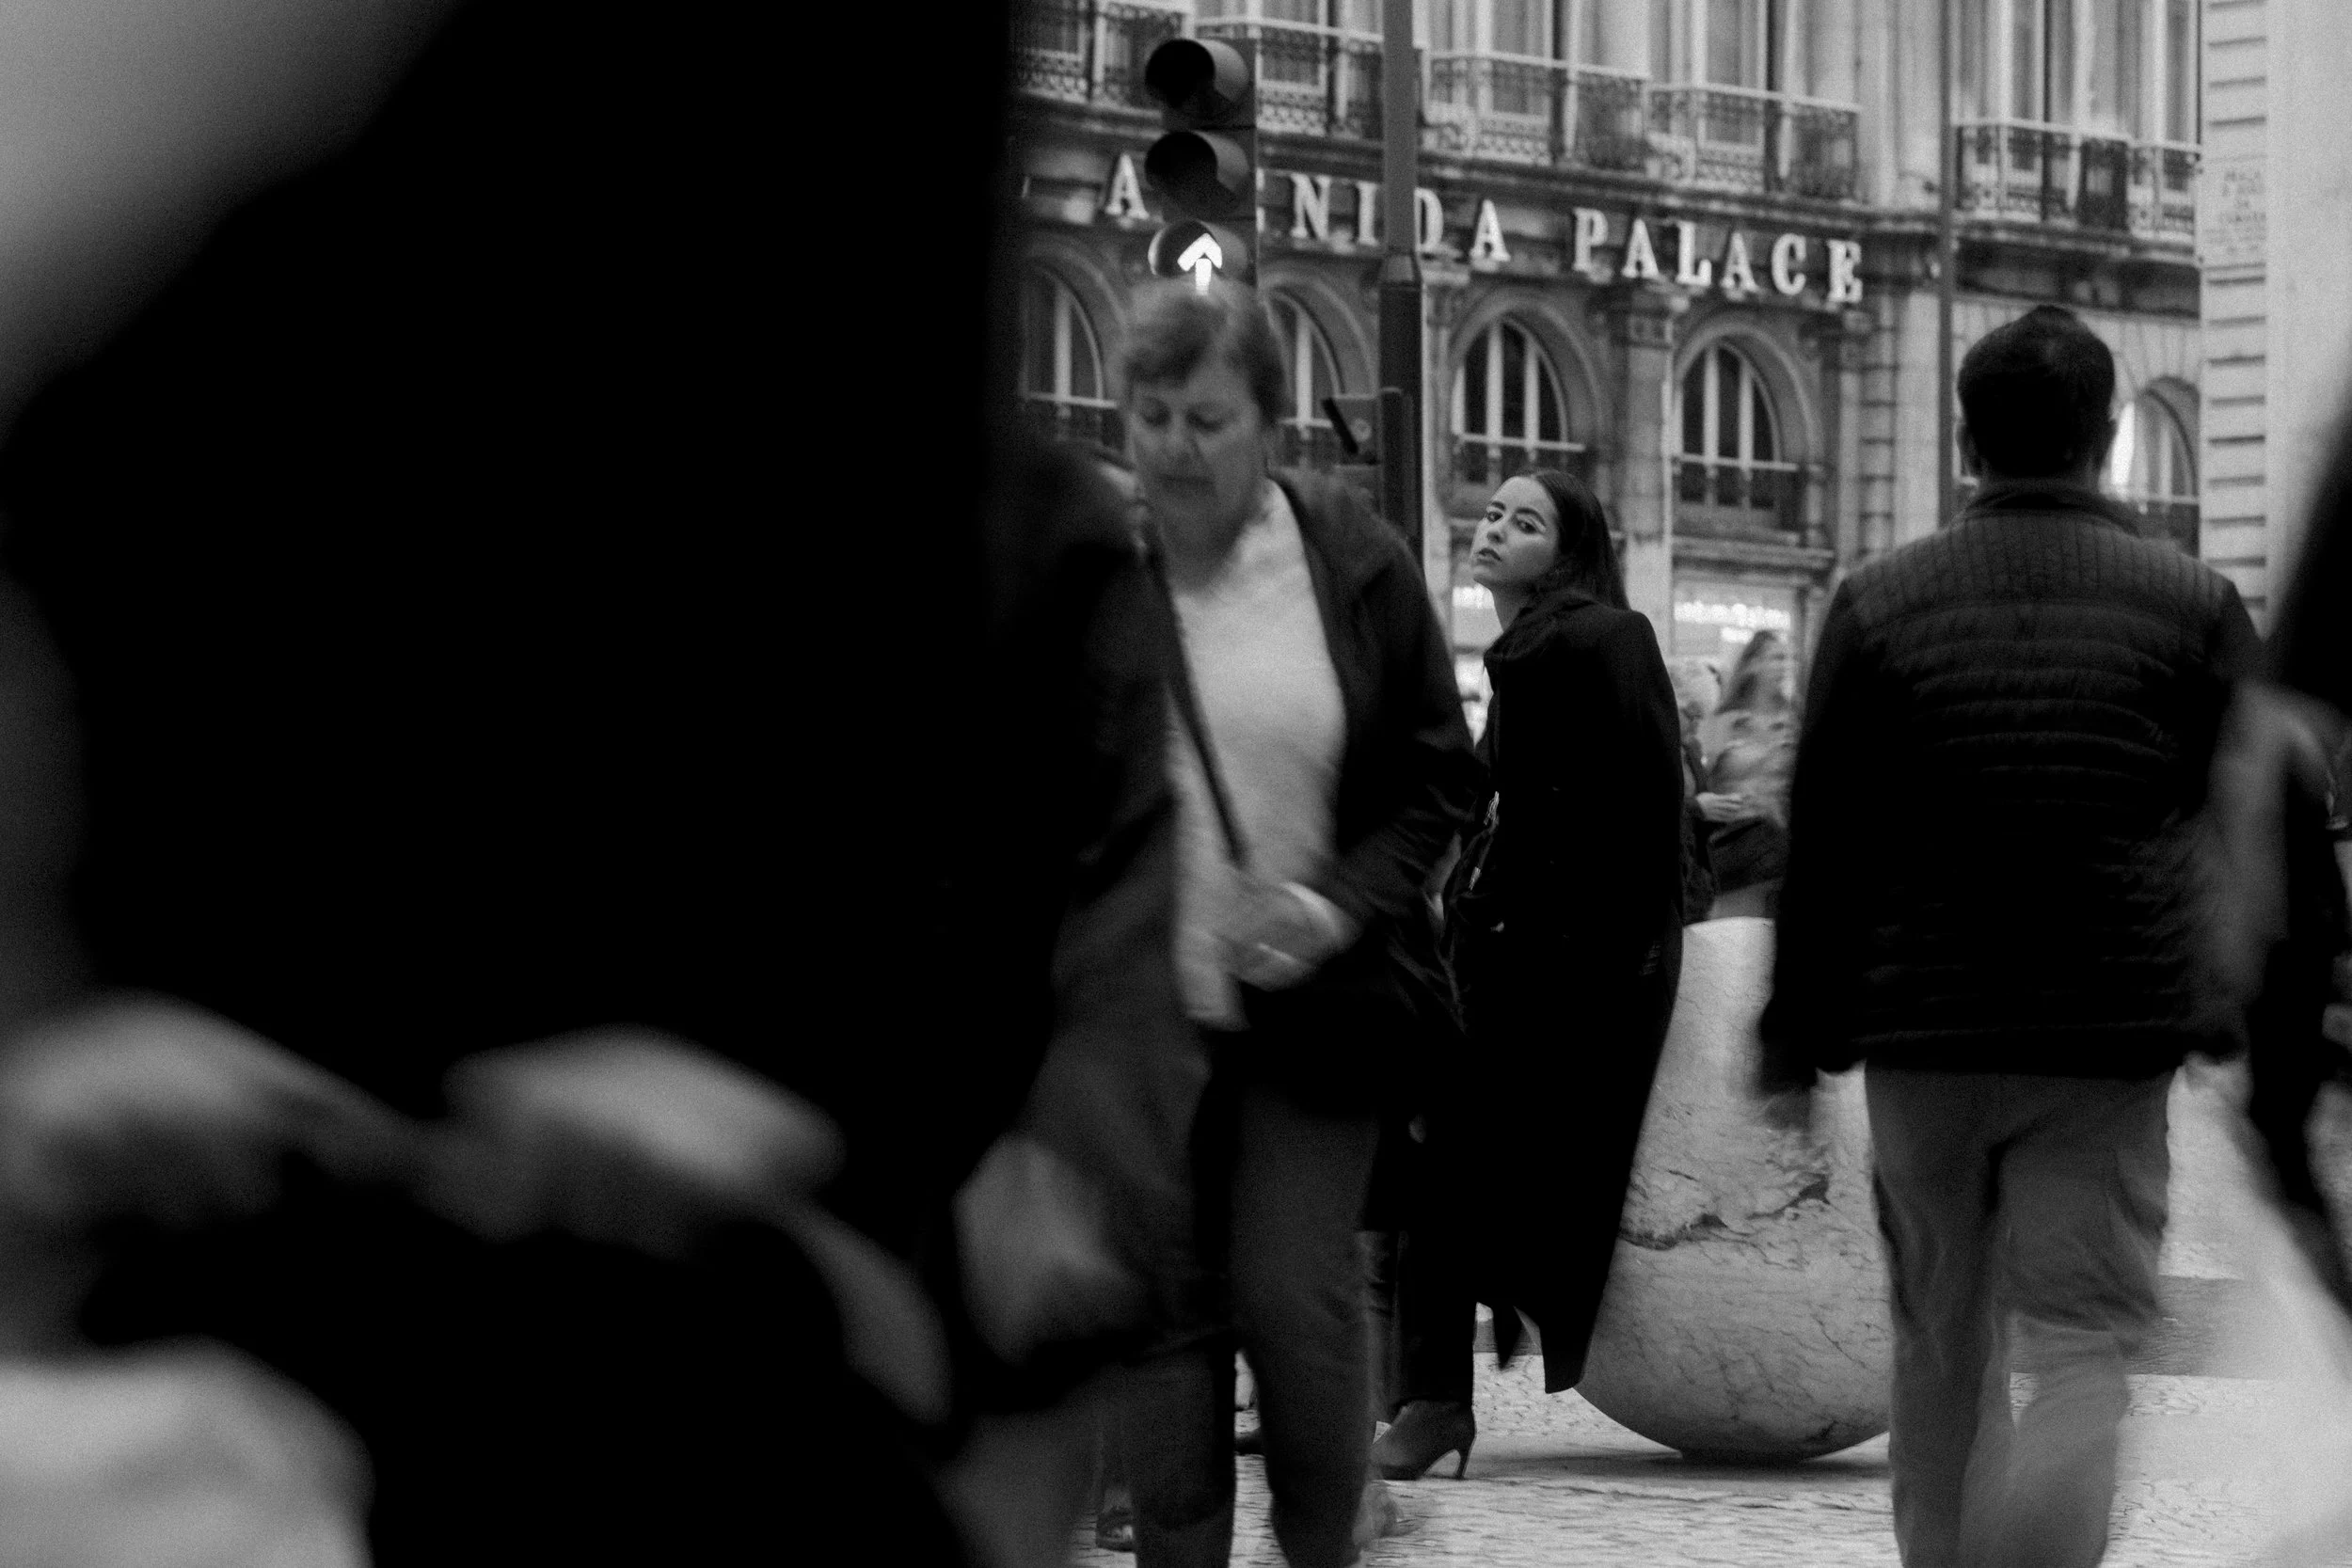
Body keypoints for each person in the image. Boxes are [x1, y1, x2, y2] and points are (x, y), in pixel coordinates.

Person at [1757, 304, 2257, 1568]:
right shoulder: (2192, 603)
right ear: (2108, 435)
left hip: (1923, 1035)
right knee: (2082, 1341)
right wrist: (2245, 999)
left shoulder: (1878, 602)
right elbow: (2256, 819)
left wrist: (1793, 1030)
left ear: (1966, 441)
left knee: (1940, 1337)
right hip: (2104, 1031)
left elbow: (1825, 834)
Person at [1110, 277, 1478, 1568]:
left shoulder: (1350, 561)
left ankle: (1326, 1535)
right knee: (1166, 1333)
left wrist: (1334, 901)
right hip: (1144, 1025)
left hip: (1315, 1017)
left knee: (1287, 1295)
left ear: (1269, 424)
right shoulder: (1095, 577)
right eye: (1151, 415)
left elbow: (1441, 778)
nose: (1174, 446)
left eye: (1207, 419)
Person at [1375, 467, 1684, 1481]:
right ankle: (1417, 1395)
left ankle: (1428, 1401)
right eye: (1494, 513)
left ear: (1569, 549)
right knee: (1428, 1156)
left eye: (1526, 520)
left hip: (1570, 968)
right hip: (1505, 951)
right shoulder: (1518, 653)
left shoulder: (1606, 637)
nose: (1495, 528)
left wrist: (1620, 956)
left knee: (1443, 1159)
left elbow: (1653, 807)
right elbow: (1487, 802)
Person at [1695, 630, 1797, 918]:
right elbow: (1699, 780)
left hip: (1782, 854)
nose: (1784, 666)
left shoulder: (1792, 719)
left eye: (1787, 659)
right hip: (1735, 855)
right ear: (1753, 664)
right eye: (1776, 658)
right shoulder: (1725, 721)